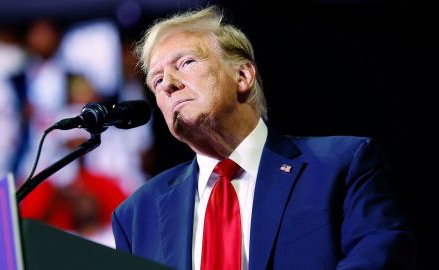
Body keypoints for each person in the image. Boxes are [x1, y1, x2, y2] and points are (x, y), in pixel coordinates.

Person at [112, 6, 415, 270]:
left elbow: (380, 258)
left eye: (186, 63)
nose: (169, 85)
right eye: (157, 79)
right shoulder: (138, 214)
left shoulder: (341, 165)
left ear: (242, 76)